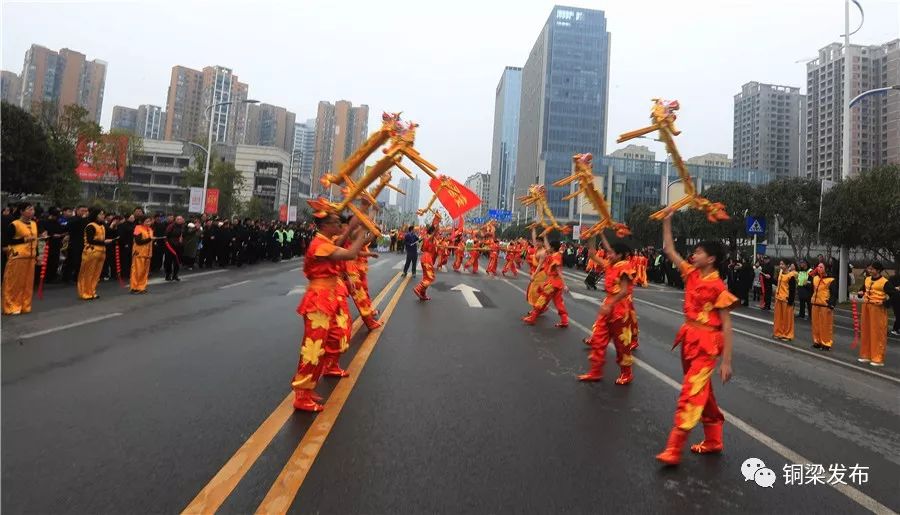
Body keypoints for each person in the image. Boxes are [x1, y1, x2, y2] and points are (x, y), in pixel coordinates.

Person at [656, 212, 736, 466]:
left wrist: (726, 362)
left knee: (690, 393)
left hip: (707, 345)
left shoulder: (718, 287)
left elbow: (727, 325)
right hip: (689, 338)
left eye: (699, 252)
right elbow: (670, 250)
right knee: (703, 392)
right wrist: (667, 221)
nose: (694, 255)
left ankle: (674, 447)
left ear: (711, 259)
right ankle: (714, 439)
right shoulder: (691, 274)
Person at [291, 211, 367, 412]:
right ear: (325, 225)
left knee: (328, 339)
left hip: (328, 297)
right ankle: (302, 395)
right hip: (318, 300)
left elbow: (341, 243)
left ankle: (309, 389)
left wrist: (352, 228)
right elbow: (349, 253)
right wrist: (361, 232)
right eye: (335, 222)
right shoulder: (319, 245)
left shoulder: (325, 241)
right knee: (313, 348)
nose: (338, 225)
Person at [579, 232, 638, 384]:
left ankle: (627, 373)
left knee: (622, 345)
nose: (608, 254)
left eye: (611, 253)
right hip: (608, 307)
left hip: (620, 310)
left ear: (620, 255)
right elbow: (592, 254)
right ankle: (595, 371)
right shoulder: (609, 265)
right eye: (608, 252)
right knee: (598, 339)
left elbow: (624, 291)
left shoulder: (625, 266)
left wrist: (610, 304)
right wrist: (592, 235)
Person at [3, 203, 43, 315]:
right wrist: (24, 240)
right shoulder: (14, 224)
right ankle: (11, 306)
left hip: (30, 257)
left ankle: (24, 305)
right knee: (14, 283)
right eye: (29, 209)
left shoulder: (34, 224)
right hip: (18, 256)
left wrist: (37, 255)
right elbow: (7, 240)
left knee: (27, 284)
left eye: (33, 209)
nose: (32, 211)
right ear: (21, 211)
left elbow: (35, 241)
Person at [522, 234, 569, 328]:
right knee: (558, 302)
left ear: (552, 247)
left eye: (550, 247)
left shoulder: (555, 256)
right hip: (556, 284)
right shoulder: (555, 254)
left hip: (553, 284)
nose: (548, 248)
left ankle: (532, 318)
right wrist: (545, 236)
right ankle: (564, 321)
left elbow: (559, 271)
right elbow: (547, 247)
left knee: (541, 299)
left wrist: (565, 285)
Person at [77, 208, 114, 300]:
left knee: (96, 274)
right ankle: (84, 292)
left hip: (101, 252)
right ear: (95, 215)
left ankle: (92, 291)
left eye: (103, 214)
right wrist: (104, 242)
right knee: (88, 273)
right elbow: (90, 240)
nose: (102, 216)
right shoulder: (91, 226)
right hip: (91, 252)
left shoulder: (102, 226)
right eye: (100, 214)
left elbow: (111, 233)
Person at [857, 262, 889, 367]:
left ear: (878, 270)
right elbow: (862, 290)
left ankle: (878, 357)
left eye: (872, 269)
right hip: (866, 307)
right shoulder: (867, 279)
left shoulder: (885, 282)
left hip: (877, 309)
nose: (870, 271)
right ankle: (866, 355)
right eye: (869, 269)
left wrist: (884, 303)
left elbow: (895, 295)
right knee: (866, 331)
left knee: (877, 333)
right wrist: (860, 293)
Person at [413, 215, 441, 301]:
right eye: (436, 232)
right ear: (433, 232)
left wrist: (436, 220)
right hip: (427, 258)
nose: (438, 233)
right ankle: (418, 288)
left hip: (424, 258)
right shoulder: (430, 238)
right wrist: (437, 222)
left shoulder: (425, 237)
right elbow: (435, 231)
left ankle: (423, 294)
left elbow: (422, 248)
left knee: (426, 277)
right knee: (430, 277)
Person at [810, 263, 837, 350]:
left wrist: (831, 305)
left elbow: (834, 294)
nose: (819, 268)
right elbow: (813, 290)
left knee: (825, 325)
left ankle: (826, 343)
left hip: (825, 305)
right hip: (815, 304)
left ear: (826, 269)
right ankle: (817, 341)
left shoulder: (830, 280)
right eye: (818, 266)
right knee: (816, 325)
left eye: (821, 267)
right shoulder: (815, 278)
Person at [130, 216, 159, 294]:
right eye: (147, 221)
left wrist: (153, 241)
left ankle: (141, 287)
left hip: (148, 254)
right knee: (137, 271)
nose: (148, 223)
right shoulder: (138, 228)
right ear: (142, 222)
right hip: (139, 253)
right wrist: (150, 239)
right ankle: (134, 287)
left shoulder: (150, 230)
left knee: (144, 272)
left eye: (149, 221)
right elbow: (138, 241)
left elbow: (150, 241)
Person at [772, 259, 797, 341]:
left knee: (787, 318)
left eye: (782, 264)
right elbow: (778, 284)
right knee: (778, 318)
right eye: (780, 264)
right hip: (778, 298)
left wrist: (791, 301)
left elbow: (792, 290)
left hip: (786, 299)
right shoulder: (780, 274)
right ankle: (778, 332)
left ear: (787, 265)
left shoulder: (791, 276)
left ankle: (788, 335)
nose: (781, 266)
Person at [62, 205, 88, 282]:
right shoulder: (73, 219)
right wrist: (82, 219)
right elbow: (68, 227)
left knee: (81, 262)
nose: (84, 213)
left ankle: (77, 277)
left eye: (85, 211)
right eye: (82, 210)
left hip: (83, 243)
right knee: (71, 261)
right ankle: (66, 277)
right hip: (74, 242)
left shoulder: (87, 220)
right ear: (77, 211)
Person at [164, 215, 185, 281]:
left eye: (180, 219)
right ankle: (168, 275)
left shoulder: (183, 227)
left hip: (179, 246)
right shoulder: (171, 226)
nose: (179, 220)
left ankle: (175, 275)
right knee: (169, 261)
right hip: (170, 246)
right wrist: (167, 243)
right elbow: (166, 235)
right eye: (178, 219)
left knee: (177, 262)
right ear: (175, 220)